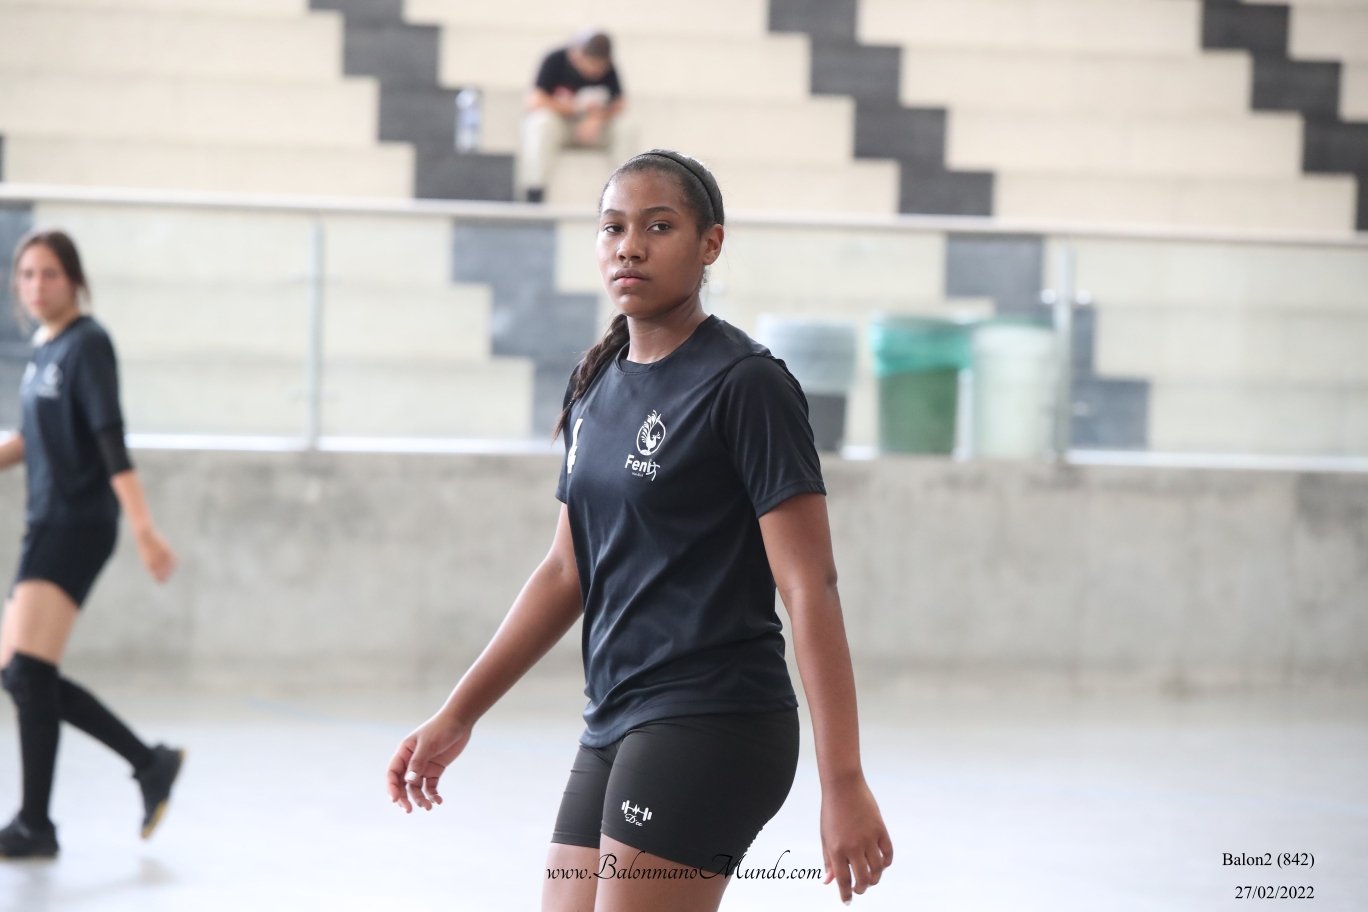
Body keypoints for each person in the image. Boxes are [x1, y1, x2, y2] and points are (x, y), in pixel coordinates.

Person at [386, 150, 893, 910]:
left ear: (710, 244)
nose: (630, 247)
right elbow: (566, 571)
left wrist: (843, 781)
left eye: (658, 227)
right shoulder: (595, 382)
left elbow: (809, 586)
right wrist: (458, 714)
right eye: (613, 228)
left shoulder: (747, 385)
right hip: (613, 719)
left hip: (714, 718)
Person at [0, 230, 183, 859]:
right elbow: (31, 438)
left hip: (77, 522)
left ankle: (36, 824)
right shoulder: (45, 350)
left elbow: (110, 440)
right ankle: (149, 763)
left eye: (49, 273)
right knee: (21, 672)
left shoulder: (88, 345)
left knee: (28, 671)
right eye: (27, 274)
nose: (36, 285)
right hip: (46, 520)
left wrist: (145, 528)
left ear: (74, 280)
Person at [518, 29, 633, 204]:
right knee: (541, 123)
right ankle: (534, 191)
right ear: (576, 55)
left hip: (595, 130)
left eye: (599, 66)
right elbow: (534, 101)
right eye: (591, 64)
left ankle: (628, 190)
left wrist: (598, 117)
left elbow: (620, 103)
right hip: (562, 126)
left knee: (626, 127)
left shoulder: (609, 69)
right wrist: (574, 108)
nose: (594, 71)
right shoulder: (555, 60)